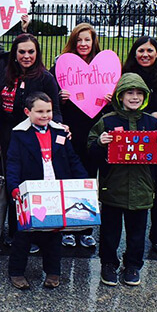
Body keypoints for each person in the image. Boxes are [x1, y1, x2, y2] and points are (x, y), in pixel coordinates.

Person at [88, 73, 157, 286]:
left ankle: (132, 266)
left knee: (137, 232)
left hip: (142, 187)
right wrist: (100, 143)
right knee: (110, 231)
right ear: (120, 96)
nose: (134, 97)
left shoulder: (152, 122)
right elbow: (90, 151)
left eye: (139, 93)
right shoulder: (107, 121)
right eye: (129, 92)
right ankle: (108, 264)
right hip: (113, 185)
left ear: (145, 97)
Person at [6, 92, 88, 289]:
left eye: (49, 111)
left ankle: (53, 271)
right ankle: (16, 271)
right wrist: (14, 188)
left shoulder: (60, 132)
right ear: (28, 112)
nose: (45, 115)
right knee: (23, 235)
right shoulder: (19, 134)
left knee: (53, 234)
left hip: (55, 190)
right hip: (30, 191)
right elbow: (13, 163)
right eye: (40, 111)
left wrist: (84, 181)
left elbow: (72, 159)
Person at [0, 33, 62, 249]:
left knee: (34, 184)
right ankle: (16, 231)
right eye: (22, 52)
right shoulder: (5, 74)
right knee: (13, 184)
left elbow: (57, 112)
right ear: (14, 54)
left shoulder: (45, 78)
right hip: (10, 138)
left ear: (37, 53)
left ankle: (37, 231)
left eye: (31, 51)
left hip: (36, 140)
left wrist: (61, 133)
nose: (27, 56)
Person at [52, 23, 105, 249]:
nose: (83, 44)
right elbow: (50, 99)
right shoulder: (62, 64)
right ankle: (67, 228)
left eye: (87, 40)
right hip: (70, 128)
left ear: (93, 42)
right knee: (67, 177)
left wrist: (110, 98)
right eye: (79, 40)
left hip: (93, 130)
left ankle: (85, 229)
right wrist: (59, 96)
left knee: (89, 179)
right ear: (73, 42)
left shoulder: (103, 67)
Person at [123, 36, 157, 253]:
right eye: (141, 50)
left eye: (149, 50)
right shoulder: (127, 73)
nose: (145, 54)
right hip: (134, 141)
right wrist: (150, 114)